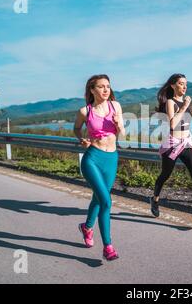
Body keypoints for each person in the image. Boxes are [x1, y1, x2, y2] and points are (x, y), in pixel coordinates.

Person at [152, 73, 192, 225]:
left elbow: (184, 122)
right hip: (173, 144)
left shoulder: (184, 103)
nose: (184, 86)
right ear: (173, 86)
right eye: (181, 83)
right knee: (165, 174)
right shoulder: (170, 102)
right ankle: (154, 199)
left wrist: (191, 114)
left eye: (186, 84)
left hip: (186, 142)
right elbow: (173, 124)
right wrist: (186, 106)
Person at [73, 74, 125, 261]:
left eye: (108, 86)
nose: (106, 90)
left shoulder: (115, 106)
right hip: (92, 159)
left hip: (111, 158)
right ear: (92, 90)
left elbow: (122, 135)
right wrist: (82, 140)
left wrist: (119, 124)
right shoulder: (85, 111)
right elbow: (76, 128)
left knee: (98, 198)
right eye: (101, 86)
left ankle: (87, 227)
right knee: (106, 202)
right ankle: (108, 247)